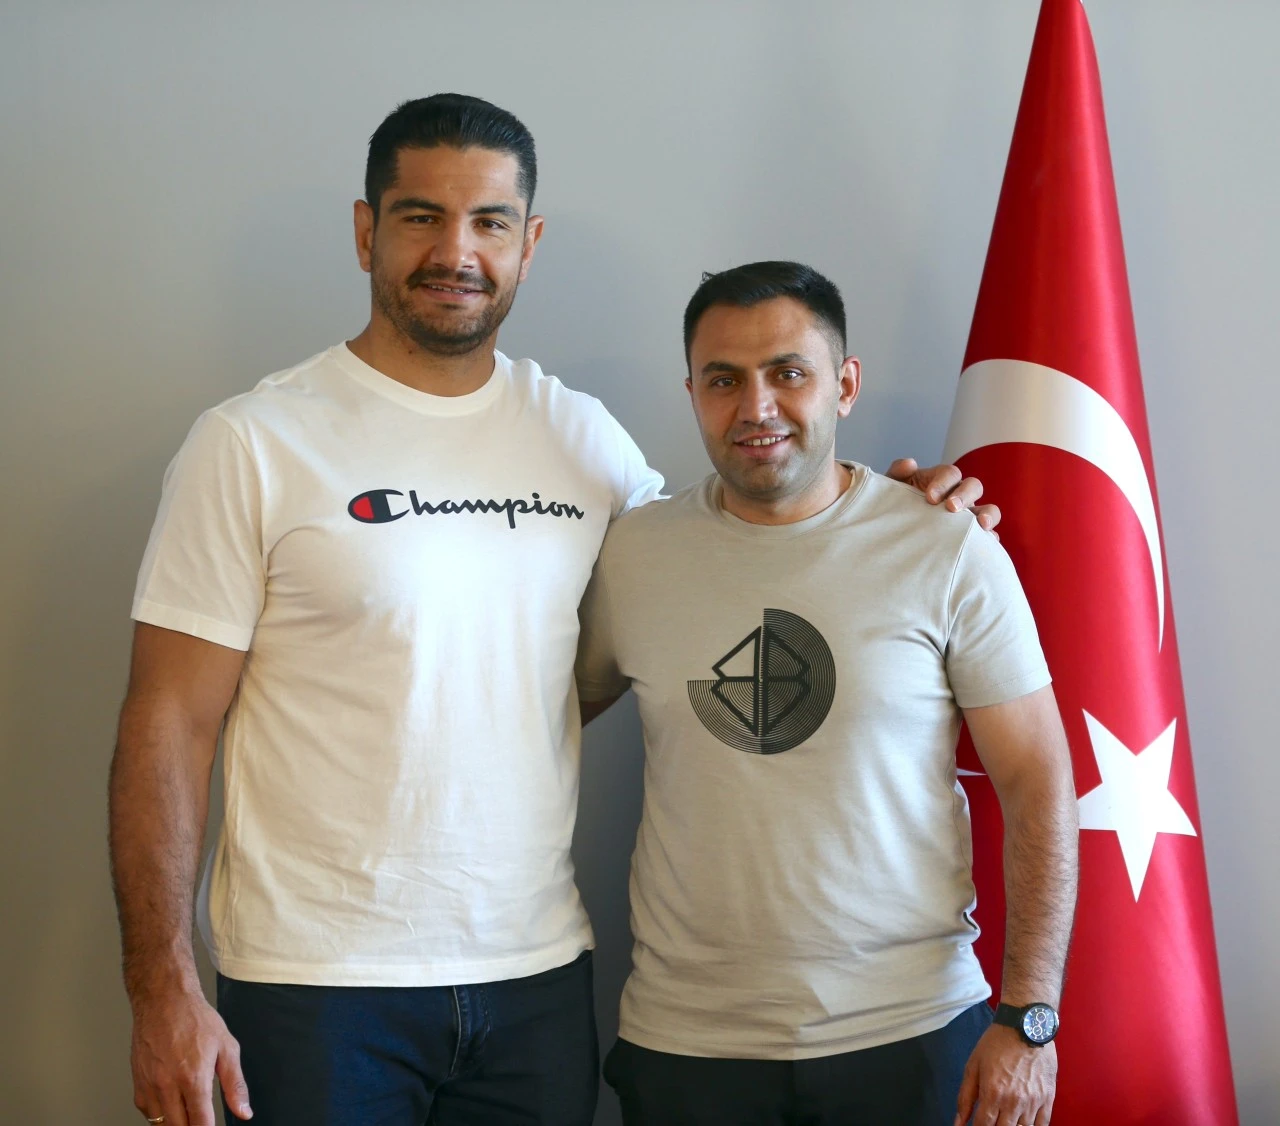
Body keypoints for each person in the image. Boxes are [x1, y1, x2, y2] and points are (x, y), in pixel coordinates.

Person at [108, 97, 998, 1126]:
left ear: (527, 245)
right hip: (315, 983)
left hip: (534, 978)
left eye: (488, 222)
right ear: (365, 231)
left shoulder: (582, 439)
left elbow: (737, 554)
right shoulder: (252, 443)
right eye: (420, 217)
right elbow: (167, 722)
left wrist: (889, 510)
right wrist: (163, 989)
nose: (456, 251)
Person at [575, 261, 1079, 1126]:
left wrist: (1029, 1019)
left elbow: (1039, 781)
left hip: (910, 1031)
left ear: (844, 385)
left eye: (788, 373)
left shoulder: (945, 545)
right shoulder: (635, 554)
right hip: (687, 1042)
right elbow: (539, 720)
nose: (757, 406)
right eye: (724, 380)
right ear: (693, 393)